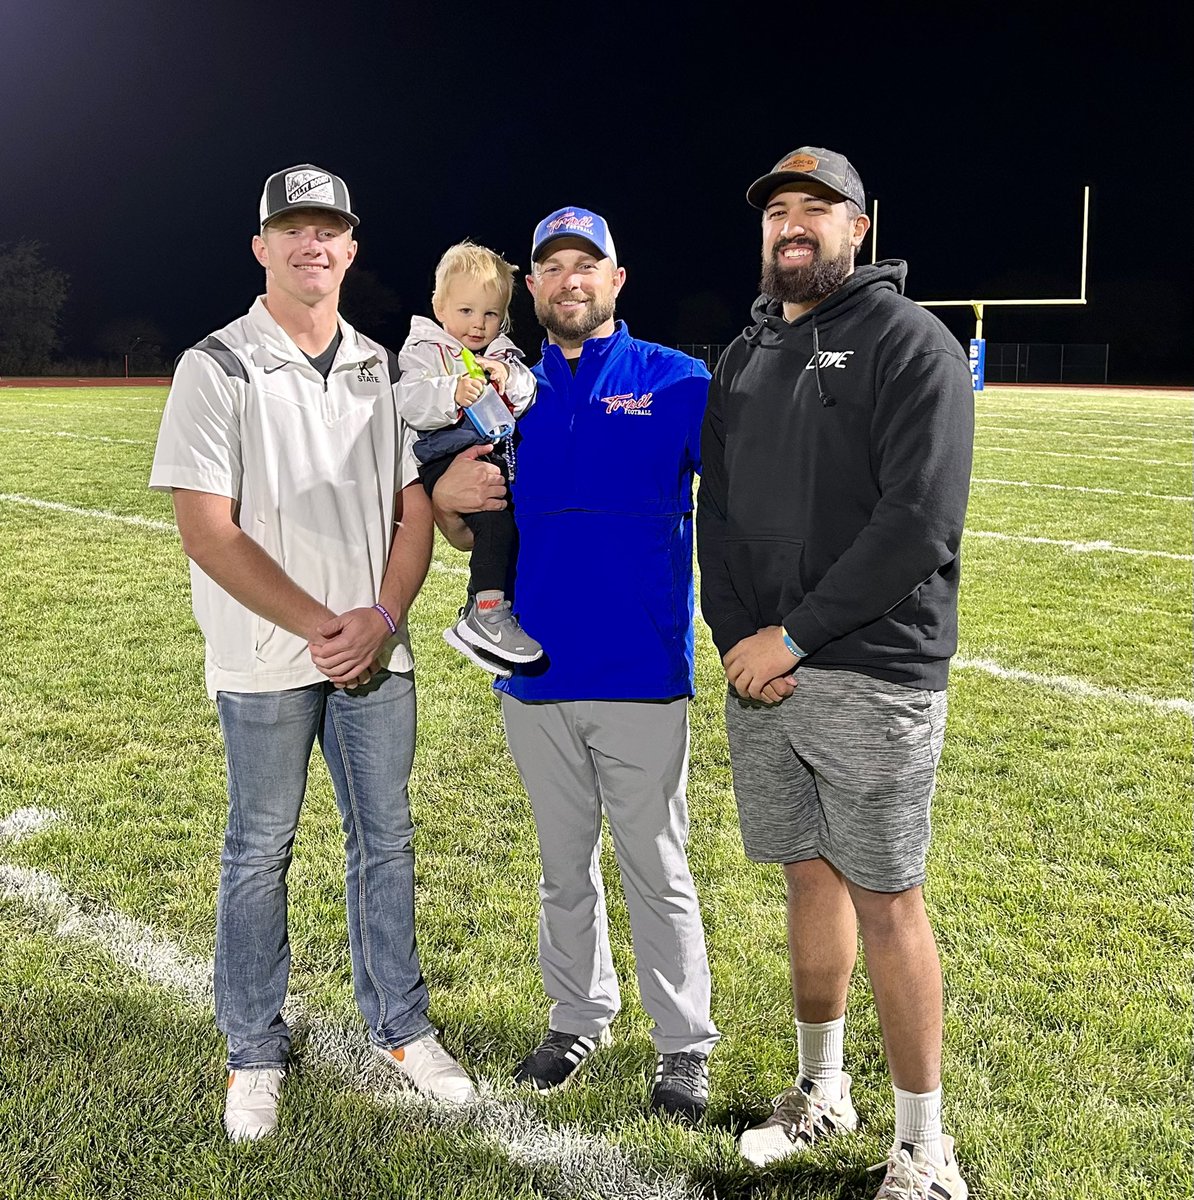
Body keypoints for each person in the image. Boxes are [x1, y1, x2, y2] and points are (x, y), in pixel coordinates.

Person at [149, 163, 476, 1143]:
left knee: (387, 841)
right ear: (262, 247)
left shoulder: (381, 367)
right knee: (260, 849)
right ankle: (254, 1048)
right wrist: (319, 624)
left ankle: (402, 1029)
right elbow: (207, 529)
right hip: (266, 655)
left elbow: (412, 511)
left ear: (351, 248)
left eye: (328, 229)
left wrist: (380, 613)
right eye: (293, 228)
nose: (312, 244)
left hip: (377, 653)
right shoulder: (217, 364)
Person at [696, 147, 974, 1199]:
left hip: (869, 667)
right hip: (761, 668)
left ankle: (924, 1150)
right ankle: (822, 1090)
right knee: (808, 877)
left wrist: (794, 638)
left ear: (860, 227)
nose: (792, 224)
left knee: (887, 897)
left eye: (817, 208)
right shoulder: (744, 353)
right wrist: (739, 637)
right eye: (778, 210)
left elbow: (918, 522)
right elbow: (718, 515)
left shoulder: (911, 341)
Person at [431, 206, 720, 1122]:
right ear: (532, 286)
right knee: (563, 868)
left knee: (656, 868)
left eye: (585, 264)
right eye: (552, 267)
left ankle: (683, 1044)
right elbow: (465, 517)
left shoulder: (676, 380)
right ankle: (578, 1016)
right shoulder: (504, 387)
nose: (570, 280)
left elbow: (745, 501)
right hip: (537, 673)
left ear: (616, 279)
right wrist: (444, 497)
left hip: (641, 670)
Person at [397, 240, 540, 675]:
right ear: (439, 307)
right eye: (466, 311)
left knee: (507, 526)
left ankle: (480, 607)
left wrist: (509, 377)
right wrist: (451, 392)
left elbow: (527, 394)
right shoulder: (426, 349)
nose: (479, 324)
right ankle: (487, 614)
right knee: (495, 523)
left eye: (491, 314)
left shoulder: (502, 354)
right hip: (444, 456)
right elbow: (409, 401)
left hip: (490, 455)